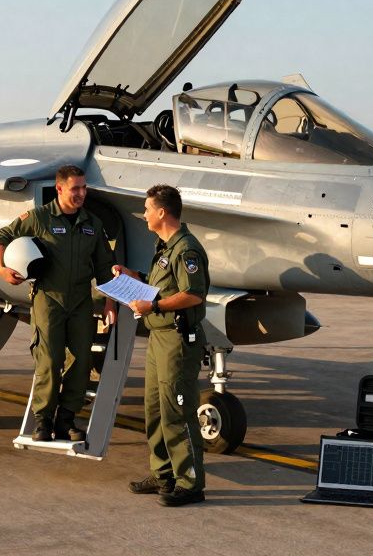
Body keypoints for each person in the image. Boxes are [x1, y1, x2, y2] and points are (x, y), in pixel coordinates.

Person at [0, 165, 117, 443]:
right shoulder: (40, 218)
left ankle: (66, 420)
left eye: (84, 188)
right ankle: (43, 420)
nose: (82, 194)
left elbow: (105, 268)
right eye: (76, 189)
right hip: (48, 299)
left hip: (81, 301)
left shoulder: (92, 224)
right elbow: (1, 237)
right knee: (49, 361)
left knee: (81, 361)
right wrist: (2, 268)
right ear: (59, 189)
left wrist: (110, 303)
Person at [113, 185, 210, 507]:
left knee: (177, 411)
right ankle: (164, 474)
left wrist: (152, 308)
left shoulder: (186, 249)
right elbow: (162, 286)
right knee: (154, 410)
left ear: (161, 212)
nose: (143, 214)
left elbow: (192, 294)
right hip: (159, 339)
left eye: (146, 209)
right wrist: (132, 275)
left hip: (177, 341)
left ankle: (190, 483)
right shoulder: (166, 247)